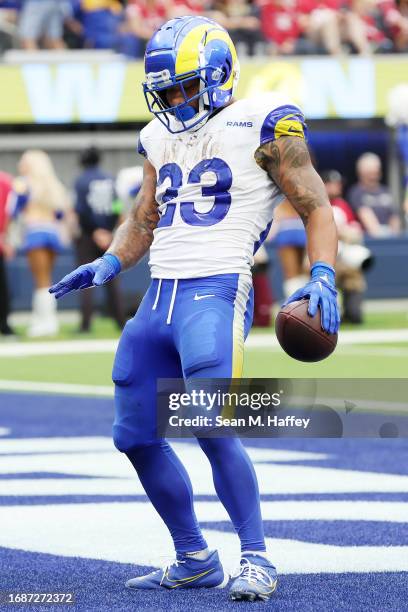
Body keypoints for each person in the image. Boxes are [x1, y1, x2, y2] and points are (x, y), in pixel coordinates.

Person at [50, 15, 339, 602]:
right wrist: (109, 262)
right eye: (167, 90)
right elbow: (144, 216)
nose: (175, 100)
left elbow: (314, 204)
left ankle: (256, 557)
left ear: (219, 74)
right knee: (134, 436)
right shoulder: (158, 138)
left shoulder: (263, 121)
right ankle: (193, 556)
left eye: (186, 86)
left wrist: (323, 272)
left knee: (211, 424)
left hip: (215, 290)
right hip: (157, 298)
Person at [8, 150, 71, 337]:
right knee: (47, 279)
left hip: (35, 232)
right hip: (52, 233)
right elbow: (61, 213)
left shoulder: (23, 184)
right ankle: (42, 319)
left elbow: (13, 209)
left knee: (41, 281)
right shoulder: (53, 184)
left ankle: (47, 322)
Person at [74, 146, 125, 333]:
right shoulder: (110, 179)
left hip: (89, 236)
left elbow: (80, 209)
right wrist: (109, 230)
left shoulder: (81, 181)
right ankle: (120, 321)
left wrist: (95, 230)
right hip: (109, 235)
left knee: (86, 279)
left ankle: (85, 324)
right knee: (112, 280)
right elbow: (118, 206)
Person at [322, 170, 370, 323]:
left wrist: (346, 234)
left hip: (345, 256)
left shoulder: (343, 205)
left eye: (337, 184)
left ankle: (350, 312)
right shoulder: (317, 205)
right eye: (331, 184)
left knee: (354, 280)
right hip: (324, 257)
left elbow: (355, 232)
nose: (335, 187)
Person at [348, 152, 401, 236]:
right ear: (361, 173)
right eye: (370, 173)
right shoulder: (356, 192)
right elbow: (367, 219)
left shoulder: (386, 191)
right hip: (370, 240)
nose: (373, 177)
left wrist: (395, 236)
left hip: (390, 237)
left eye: (376, 173)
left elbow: (394, 216)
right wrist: (383, 235)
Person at [0, 170, 16, 337]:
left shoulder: (6, 182)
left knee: (3, 288)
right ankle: (4, 325)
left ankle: (4, 324)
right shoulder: (6, 181)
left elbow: (10, 212)